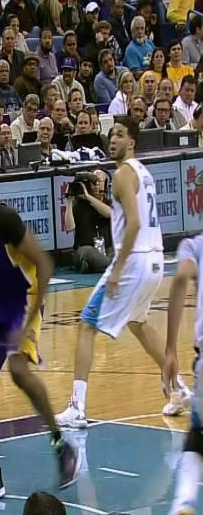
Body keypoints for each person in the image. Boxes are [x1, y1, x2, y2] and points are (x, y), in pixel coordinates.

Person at [0, 158, 79, 503]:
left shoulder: (2, 218)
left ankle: (61, 445)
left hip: (22, 300)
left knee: (19, 372)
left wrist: (31, 320)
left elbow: (44, 262)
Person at [56, 117, 191, 430]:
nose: (113, 139)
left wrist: (117, 268)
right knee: (138, 323)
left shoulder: (121, 175)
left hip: (133, 262)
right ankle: (179, 389)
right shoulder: (143, 173)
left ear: (132, 142)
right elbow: (129, 216)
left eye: (119, 134)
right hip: (155, 260)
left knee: (86, 325)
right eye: (111, 134)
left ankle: (77, 407)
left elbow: (133, 224)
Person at [164, 232, 203, 515]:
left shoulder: (194, 246)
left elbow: (180, 278)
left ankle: (184, 502)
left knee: (198, 437)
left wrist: (170, 349)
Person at [64, 169, 113, 273]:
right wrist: (69, 201)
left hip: (107, 249)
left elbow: (109, 213)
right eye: (93, 182)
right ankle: (105, 266)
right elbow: (69, 227)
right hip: (85, 249)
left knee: (117, 251)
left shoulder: (109, 203)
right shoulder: (79, 205)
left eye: (99, 181)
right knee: (87, 251)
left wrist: (88, 197)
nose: (96, 185)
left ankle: (96, 265)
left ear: (106, 184)